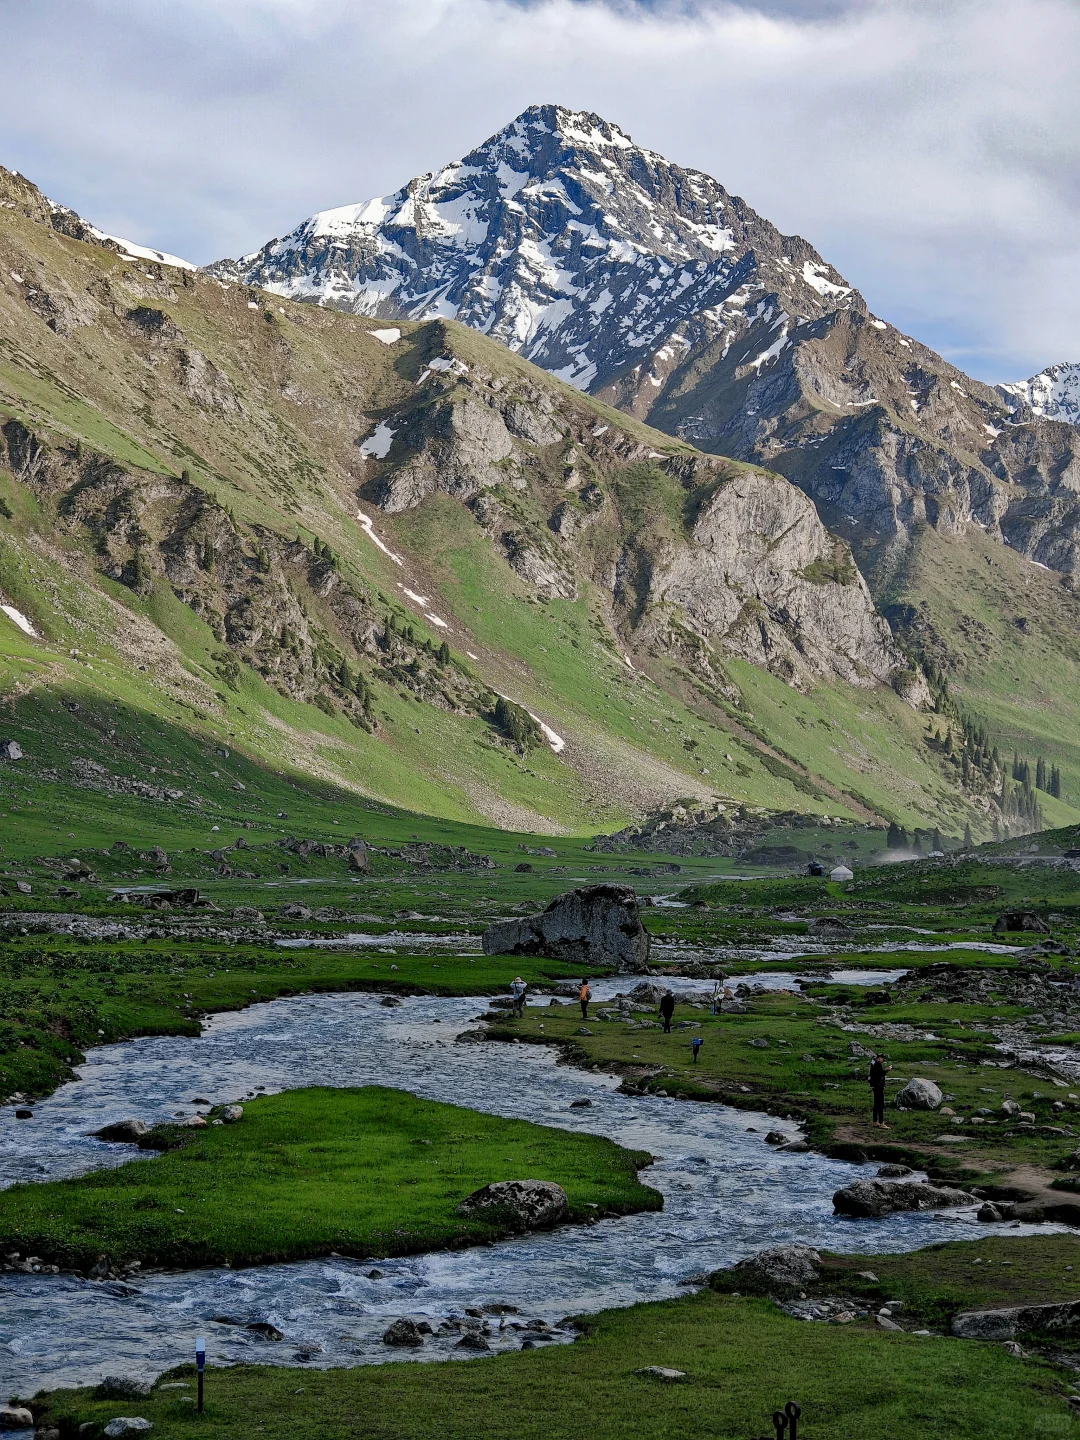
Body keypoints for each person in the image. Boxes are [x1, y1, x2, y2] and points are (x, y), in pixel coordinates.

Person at [869, 1053, 891, 1127]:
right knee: (881, 1104)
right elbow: (880, 1074)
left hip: (874, 1086)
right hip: (878, 1086)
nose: (883, 1061)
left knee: (876, 1104)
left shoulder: (873, 1062)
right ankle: (881, 1122)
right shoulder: (878, 1064)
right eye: (883, 1059)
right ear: (880, 1058)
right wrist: (887, 1070)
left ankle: (875, 1121)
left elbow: (874, 1073)